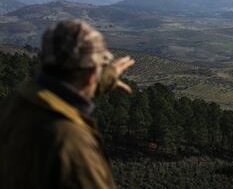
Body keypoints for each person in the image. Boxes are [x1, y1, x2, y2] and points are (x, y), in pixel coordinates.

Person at [0, 20, 135, 189]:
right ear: (91, 76)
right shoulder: (72, 142)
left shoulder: (15, 103)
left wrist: (100, 78)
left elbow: (60, 90)